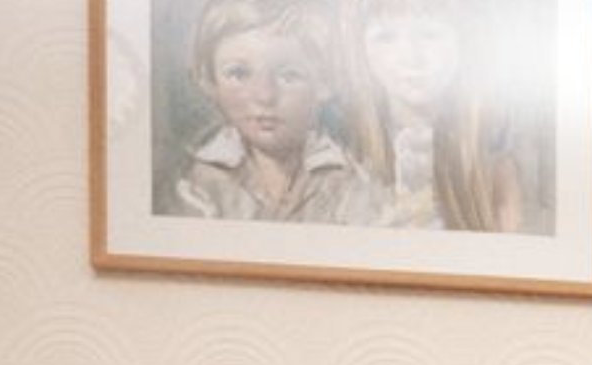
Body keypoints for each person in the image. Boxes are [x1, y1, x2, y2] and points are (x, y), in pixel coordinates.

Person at [332, 0, 551, 233]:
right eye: (386, 37)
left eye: (430, 34)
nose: (410, 57)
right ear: (361, 48)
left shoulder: (497, 163)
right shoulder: (341, 155)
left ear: (465, 40)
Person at [167, 0, 383, 225]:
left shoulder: (348, 181)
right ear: (209, 81)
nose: (265, 96)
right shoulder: (197, 183)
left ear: (325, 83)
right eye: (239, 74)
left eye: (288, 75)